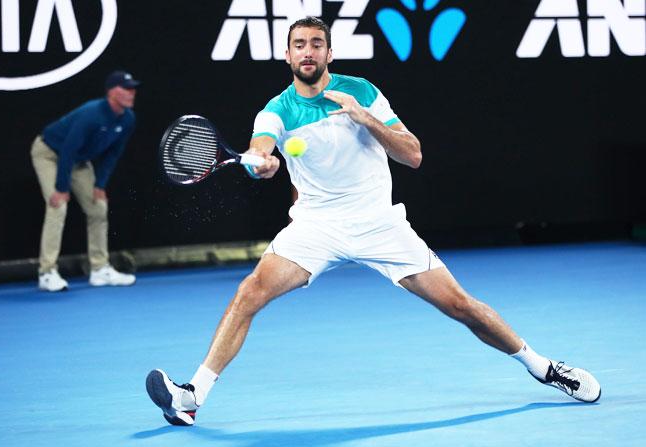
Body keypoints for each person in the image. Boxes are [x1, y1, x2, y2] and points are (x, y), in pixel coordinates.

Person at [145, 18, 601, 426]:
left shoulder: (361, 90)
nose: (307, 51)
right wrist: (261, 163)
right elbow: (262, 151)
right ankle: (192, 396)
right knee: (249, 293)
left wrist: (366, 119)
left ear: (328, 52)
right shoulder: (275, 111)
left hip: (380, 225)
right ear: (287, 55)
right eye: (299, 44)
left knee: (461, 306)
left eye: (316, 44)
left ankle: (543, 368)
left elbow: (414, 155)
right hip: (315, 229)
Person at [31, 71, 140, 292]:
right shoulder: (91, 113)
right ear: (112, 92)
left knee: (98, 207)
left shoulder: (128, 119)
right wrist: (61, 188)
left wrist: (100, 184)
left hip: (79, 160)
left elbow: (112, 155)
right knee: (57, 206)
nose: (132, 93)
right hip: (50, 153)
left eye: (133, 88)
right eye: (126, 88)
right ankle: (47, 272)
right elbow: (67, 150)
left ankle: (99, 269)